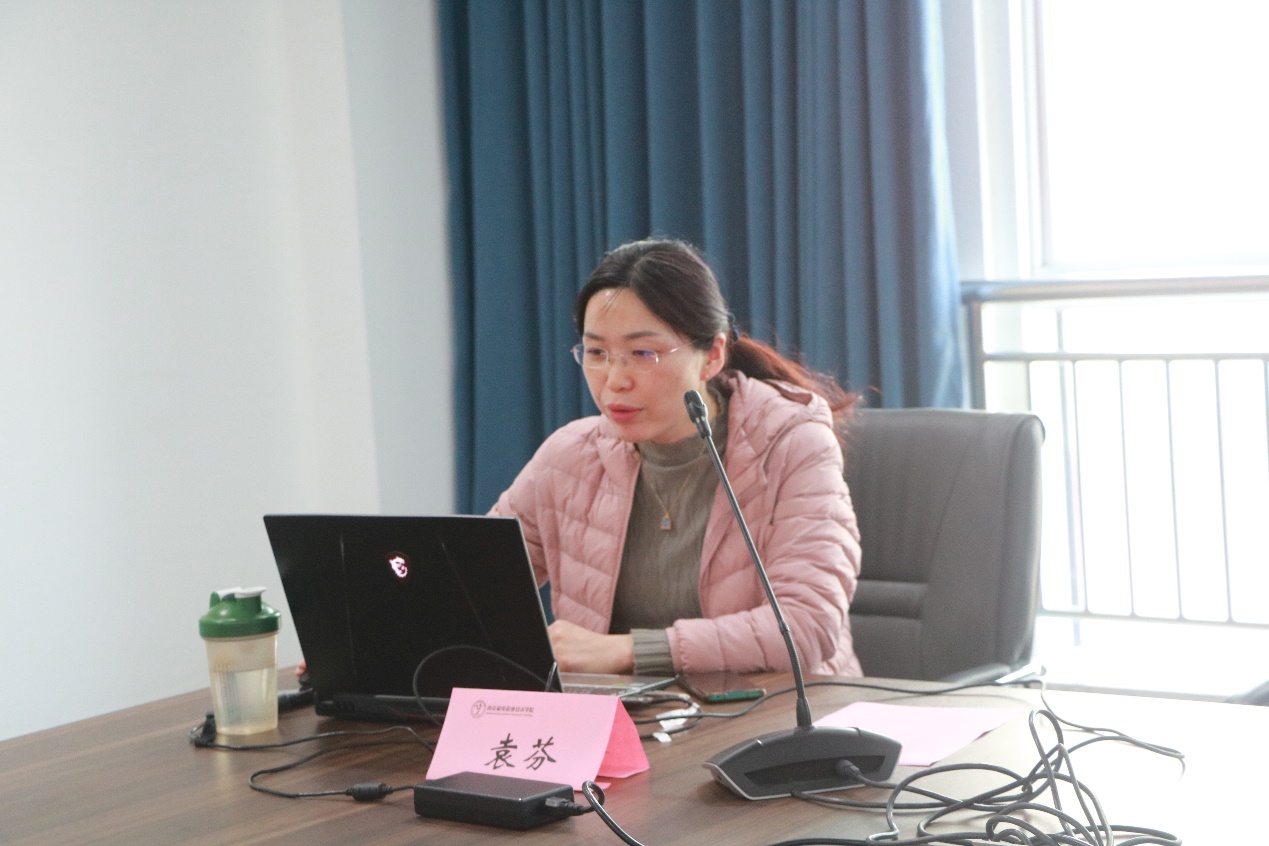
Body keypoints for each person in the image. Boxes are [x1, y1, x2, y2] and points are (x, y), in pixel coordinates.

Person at [490, 237, 864, 677]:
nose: (615, 380)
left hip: (776, 707)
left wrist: (628, 651)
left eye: (643, 353)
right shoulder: (569, 458)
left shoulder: (790, 445)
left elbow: (805, 627)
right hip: (626, 711)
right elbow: (470, 583)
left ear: (712, 357)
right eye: (596, 353)